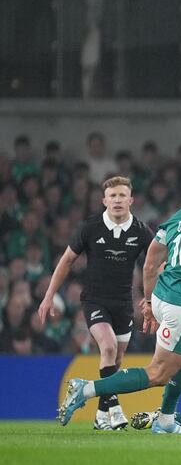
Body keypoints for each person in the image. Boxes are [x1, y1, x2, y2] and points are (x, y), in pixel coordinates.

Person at [58, 159, 181, 434]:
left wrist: (148, 303)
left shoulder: (178, 218)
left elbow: (150, 263)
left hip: (161, 295)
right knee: (159, 373)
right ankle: (86, 389)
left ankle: (166, 419)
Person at [38, 176, 153, 430]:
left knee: (116, 360)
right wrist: (48, 296)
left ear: (131, 200)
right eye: (112, 196)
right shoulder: (90, 228)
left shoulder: (141, 231)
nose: (117, 200)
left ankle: (101, 416)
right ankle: (115, 409)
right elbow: (66, 261)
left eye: (122, 195)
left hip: (123, 303)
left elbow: (155, 263)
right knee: (108, 346)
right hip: (95, 300)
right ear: (104, 201)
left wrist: (151, 299)